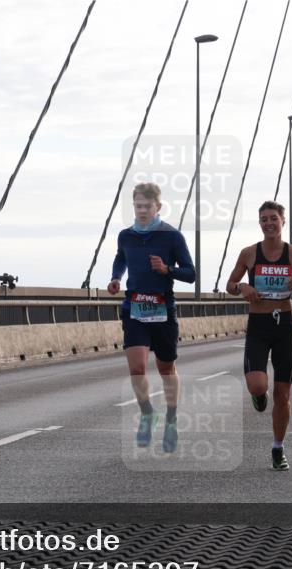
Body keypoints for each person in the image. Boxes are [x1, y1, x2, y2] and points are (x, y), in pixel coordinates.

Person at [225, 201, 292, 471]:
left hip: (284, 327)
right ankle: (258, 395)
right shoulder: (249, 254)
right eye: (264, 219)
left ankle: (278, 448)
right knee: (257, 385)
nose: (269, 223)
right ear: (260, 223)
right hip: (258, 324)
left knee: (283, 394)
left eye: (273, 218)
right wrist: (243, 286)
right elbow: (230, 285)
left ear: (282, 222)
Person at [108, 182, 195, 452]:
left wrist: (167, 269)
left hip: (163, 310)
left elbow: (190, 274)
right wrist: (115, 278)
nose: (142, 210)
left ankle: (171, 418)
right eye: (138, 206)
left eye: (147, 206)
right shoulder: (126, 236)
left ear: (158, 206)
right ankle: (147, 413)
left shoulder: (172, 236)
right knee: (136, 368)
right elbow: (120, 258)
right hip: (134, 309)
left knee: (166, 369)